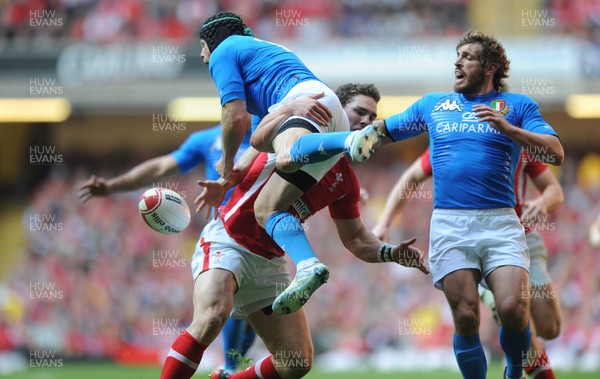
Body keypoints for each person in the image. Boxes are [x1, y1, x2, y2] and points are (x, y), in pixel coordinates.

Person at [282, 30, 565, 379]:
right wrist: (310, 143)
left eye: (467, 57)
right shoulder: (433, 105)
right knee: (465, 315)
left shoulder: (519, 106)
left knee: (513, 309)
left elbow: (555, 151)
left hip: (501, 222)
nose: (457, 62)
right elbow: (379, 133)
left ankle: (513, 372)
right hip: (450, 224)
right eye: (457, 56)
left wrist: (510, 130)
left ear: (490, 66)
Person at [158, 90, 429, 379]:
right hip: (229, 240)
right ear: (335, 110)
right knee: (212, 316)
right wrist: (287, 111)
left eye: (373, 118)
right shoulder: (294, 133)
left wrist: (390, 252)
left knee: (296, 362)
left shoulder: (344, 180)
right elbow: (257, 137)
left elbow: (357, 239)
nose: (366, 121)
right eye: (359, 112)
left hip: (269, 263)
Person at [198, 11, 372, 315]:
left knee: (287, 155)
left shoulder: (223, 51)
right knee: (268, 208)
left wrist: (224, 161)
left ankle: (349, 142)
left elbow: (233, 117)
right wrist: (225, 181)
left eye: (202, 46)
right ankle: (308, 265)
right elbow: (255, 147)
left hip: (307, 104)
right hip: (326, 115)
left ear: (212, 41)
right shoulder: (260, 63)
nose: (202, 56)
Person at [77, 124, 258, 373]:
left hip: (266, 237)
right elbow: (161, 167)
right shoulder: (207, 139)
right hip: (227, 237)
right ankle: (228, 366)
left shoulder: (270, 129)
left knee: (259, 315)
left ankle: (232, 365)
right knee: (220, 308)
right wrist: (112, 186)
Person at [372, 147, 563, 379]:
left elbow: (553, 189)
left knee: (549, 328)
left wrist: (543, 202)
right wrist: (385, 221)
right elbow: (412, 176)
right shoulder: (451, 136)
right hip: (472, 243)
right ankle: (515, 372)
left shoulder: (517, 139)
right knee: (516, 318)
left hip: (522, 237)